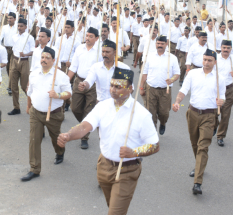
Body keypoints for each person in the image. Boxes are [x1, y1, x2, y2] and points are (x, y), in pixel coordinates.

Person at [58, 68, 159, 214]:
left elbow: (155, 146)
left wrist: (134, 152)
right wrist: (68, 135)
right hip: (104, 166)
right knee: (112, 206)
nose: (113, 89)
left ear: (130, 89)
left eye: (118, 86)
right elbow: (85, 126)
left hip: (126, 170)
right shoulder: (102, 106)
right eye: (111, 85)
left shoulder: (142, 114)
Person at [172, 49, 225, 195]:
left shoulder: (220, 78)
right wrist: (177, 102)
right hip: (193, 113)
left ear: (215, 62)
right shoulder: (193, 74)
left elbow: (223, 97)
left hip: (209, 116)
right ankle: (199, 164)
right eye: (205, 60)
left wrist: (222, 101)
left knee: (203, 147)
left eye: (210, 60)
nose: (206, 63)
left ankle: (197, 182)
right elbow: (184, 90)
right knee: (195, 144)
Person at [21, 47, 71, 181]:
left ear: (53, 60)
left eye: (47, 58)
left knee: (56, 138)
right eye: (42, 57)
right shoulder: (34, 74)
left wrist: (58, 95)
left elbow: (68, 94)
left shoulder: (60, 76)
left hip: (53, 114)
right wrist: (28, 106)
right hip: (35, 113)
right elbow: (29, 92)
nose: (44, 60)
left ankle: (60, 152)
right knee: (34, 140)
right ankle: (34, 169)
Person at [67, 27, 101, 149]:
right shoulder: (79, 48)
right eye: (86, 36)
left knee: (89, 110)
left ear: (96, 38)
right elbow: (73, 67)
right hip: (79, 81)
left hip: (93, 84)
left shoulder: (99, 52)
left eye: (91, 36)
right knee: (75, 108)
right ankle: (84, 124)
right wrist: (66, 81)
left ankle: (84, 137)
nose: (87, 38)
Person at [140, 35, 180, 135]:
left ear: (166, 44)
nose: (160, 45)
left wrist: (172, 80)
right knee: (150, 113)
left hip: (165, 90)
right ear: (155, 44)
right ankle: (152, 135)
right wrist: (141, 87)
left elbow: (177, 74)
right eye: (158, 43)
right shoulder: (149, 56)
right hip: (151, 89)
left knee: (164, 113)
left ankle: (162, 123)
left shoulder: (172, 58)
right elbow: (144, 73)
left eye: (162, 44)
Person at [215, 40, 233, 147]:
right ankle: (214, 126)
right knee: (215, 112)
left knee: (225, 114)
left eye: (228, 48)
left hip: (230, 90)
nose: (226, 50)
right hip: (216, 90)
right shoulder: (215, 58)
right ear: (220, 48)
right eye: (224, 47)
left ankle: (220, 136)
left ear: (231, 49)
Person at [8, 18, 35, 115]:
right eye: (18, 26)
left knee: (25, 87)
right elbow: (14, 49)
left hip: (24, 62)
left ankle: (33, 105)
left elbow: (33, 51)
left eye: (21, 26)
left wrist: (25, 54)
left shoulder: (30, 38)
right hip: (14, 61)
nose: (19, 28)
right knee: (13, 86)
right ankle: (16, 107)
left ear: (26, 27)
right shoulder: (14, 36)